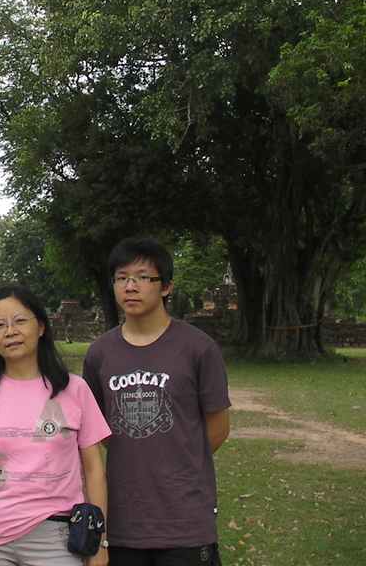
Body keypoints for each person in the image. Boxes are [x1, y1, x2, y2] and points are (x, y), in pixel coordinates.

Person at [82, 237, 231, 566]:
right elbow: (98, 427)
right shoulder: (100, 354)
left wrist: (177, 456)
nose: (130, 287)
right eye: (121, 278)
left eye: (142, 277)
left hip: (185, 519)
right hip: (123, 520)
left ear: (166, 287)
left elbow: (218, 427)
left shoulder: (198, 348)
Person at [0, 285, 111, 566]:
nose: (10, 331)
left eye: (20, 321)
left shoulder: (74, 389)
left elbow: (94, 469)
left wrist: (100, 541)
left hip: (56, 537)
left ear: (41, 327)